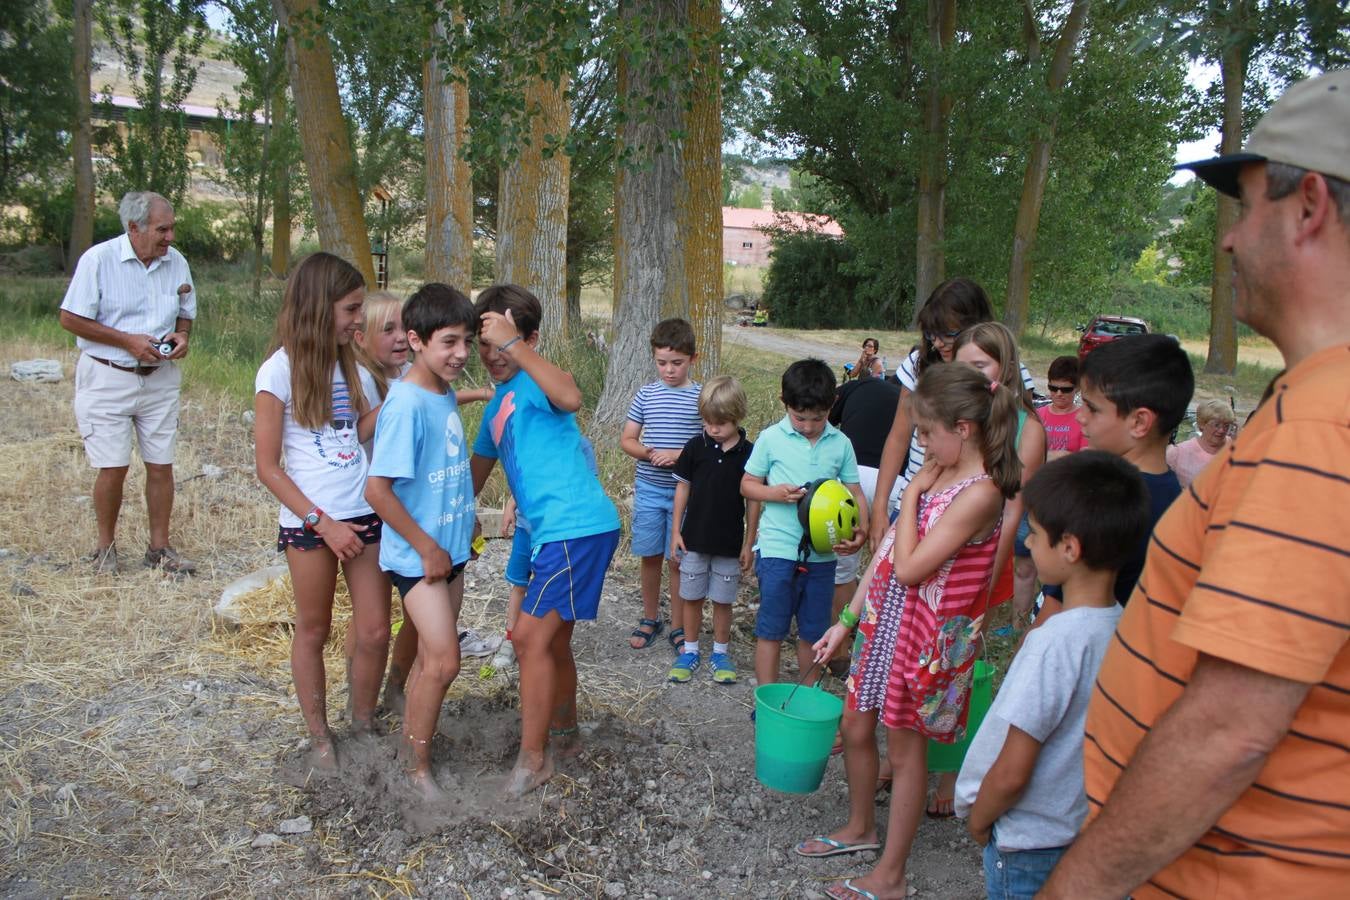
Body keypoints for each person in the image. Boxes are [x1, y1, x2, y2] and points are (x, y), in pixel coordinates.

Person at [1041, 69, 1350, 899]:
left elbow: (1230, 731)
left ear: (1310, 205)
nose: (1229, 240)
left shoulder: (1323, 427)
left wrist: (1077, 886)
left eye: (1247, 207)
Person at [805, 362, 1021, 900]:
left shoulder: (982, 491)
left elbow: (910, 567)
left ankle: (892, 875)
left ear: (963, 429)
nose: (918, 443)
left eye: (926, 432)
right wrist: (847, 620)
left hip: (925, 638)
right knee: (855, 723)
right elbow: (884, 558)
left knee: (905, 754)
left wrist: (913, 495)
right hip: (885, 621)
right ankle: (860, 829)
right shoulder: (938, 470)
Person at [955, 451, 1149, 899]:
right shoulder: (1122, 627)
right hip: (1080, 831)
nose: (1029, 545)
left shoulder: (1054, 642)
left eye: (1036, 535)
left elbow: (1013, 769)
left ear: (1070, 548)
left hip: (1027, 841)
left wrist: (982, 819)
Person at [469, 284, 621, 797]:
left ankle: (533, 761)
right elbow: (474, 477)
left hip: (575, 526)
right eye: (484, 344)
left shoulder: (538, 381)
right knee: (552, 642)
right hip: (555, 535)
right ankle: (566, 736)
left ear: (528, 339)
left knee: (531, 639)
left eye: (502, 343)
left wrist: (517, 348)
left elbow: (572, 395)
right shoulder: (496, 410)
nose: (492, 355)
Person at [253, 252, 388, 772]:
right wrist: (322, 523)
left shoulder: (353, 366)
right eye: (352, 308)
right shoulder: (278, 370)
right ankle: (319, 737)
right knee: (314, 627)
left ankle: (362, 723)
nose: (359, 319)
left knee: (375, 630)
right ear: (318, 306)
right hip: (312, 524)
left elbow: (356, 435)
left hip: (364, 513)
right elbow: (269, 467)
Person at [363, 283, 477, 801]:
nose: (461, 354)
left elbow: (443, 471)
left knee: (434, 657)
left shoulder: (442, 392)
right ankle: (415, 767)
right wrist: (427, 547)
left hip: (450, 553)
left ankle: (408, 715)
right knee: (446, 660)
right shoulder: (405, 403)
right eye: (449, 342)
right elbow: (377, 490)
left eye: (468, 341)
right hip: (418, 558)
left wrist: (465, 522)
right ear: (416, 340)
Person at [58, 190, 197, 575]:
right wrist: (127, 341)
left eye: (171, 228)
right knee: (113, 466)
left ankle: (159, 549)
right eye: (162, 229)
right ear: (133, 228)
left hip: (160, 378)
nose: (170, 237)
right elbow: (70, 318)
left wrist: (182, 336)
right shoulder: (99, 261)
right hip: (108, 376)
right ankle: (106, 549)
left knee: (161, 465)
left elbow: (186, 311)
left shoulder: (177, 262)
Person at [868, 278, 1037, 548]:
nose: (939, 343)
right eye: (931, 334)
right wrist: (879, 509)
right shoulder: (919, 363)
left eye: (949, 333)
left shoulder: (1009, 373)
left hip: (972, 511)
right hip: (916, 501)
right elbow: (898, 437)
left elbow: (1020, 442)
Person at [741, 359, 867, 687]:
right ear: (784, 401)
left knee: (813, 633)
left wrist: (861, 530)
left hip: (823, 556)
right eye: (800, 418)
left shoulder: (841, 443)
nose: (809, 426)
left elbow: (854, 491)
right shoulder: (771, 438)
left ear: (832, 405)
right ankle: (766, 701)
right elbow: (747, 484)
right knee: (771, 630)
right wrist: (774, 493)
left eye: (818, 418)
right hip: (778, 550)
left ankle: (807, 698)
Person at [1069, 333, 1191, 610]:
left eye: (1092, 408)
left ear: (1139, 422)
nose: (1080, 416)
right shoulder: (1175, 501)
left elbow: (1058, 607)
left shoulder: (1101, 503)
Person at [667, 376, 760, 684]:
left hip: (729, 543)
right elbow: (682, 488)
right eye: (707, 421)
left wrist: (749, 542)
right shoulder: (695, 446)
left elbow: (753, 502)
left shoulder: (750, 453)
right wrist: (675, 531)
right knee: (691, 597)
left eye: (720, 422)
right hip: (694, 539)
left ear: (738, 416)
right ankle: (690, 650)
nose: (713, 428)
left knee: (723, 599)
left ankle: (721, 652)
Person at [620, 319, 703, 652]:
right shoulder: (646, 394)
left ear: (693, 359)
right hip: (650, 489)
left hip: (686, 493)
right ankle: (650, 616)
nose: (669, 370)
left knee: (678, 559)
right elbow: (627, 439)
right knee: (650, 555)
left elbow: (707, 444)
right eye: (662, 363)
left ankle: (680, 626)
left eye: (677, 363)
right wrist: (650, 453)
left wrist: (679, 455)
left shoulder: (701, 397)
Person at [827, 367, 902, 673]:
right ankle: (875, 652)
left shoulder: (856, 387)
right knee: (886, 570)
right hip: (894, 482)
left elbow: (827, 425)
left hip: (851, 478)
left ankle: (840, 653)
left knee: (843, 570)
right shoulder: (908, 400)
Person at [1165, 397, 1235, 487]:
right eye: (1216, 425)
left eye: (1226, 425)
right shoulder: (1177, 453)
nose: (1221, 430)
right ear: (1202, 424)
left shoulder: (1235, 447)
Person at [1037, 355, 1085, 461]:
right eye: (1053, 388)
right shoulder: (1037, 415)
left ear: (1077, 388)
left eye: (1066, 389)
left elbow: (1086, 459)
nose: (1058, 394)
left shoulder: (1084, 419)